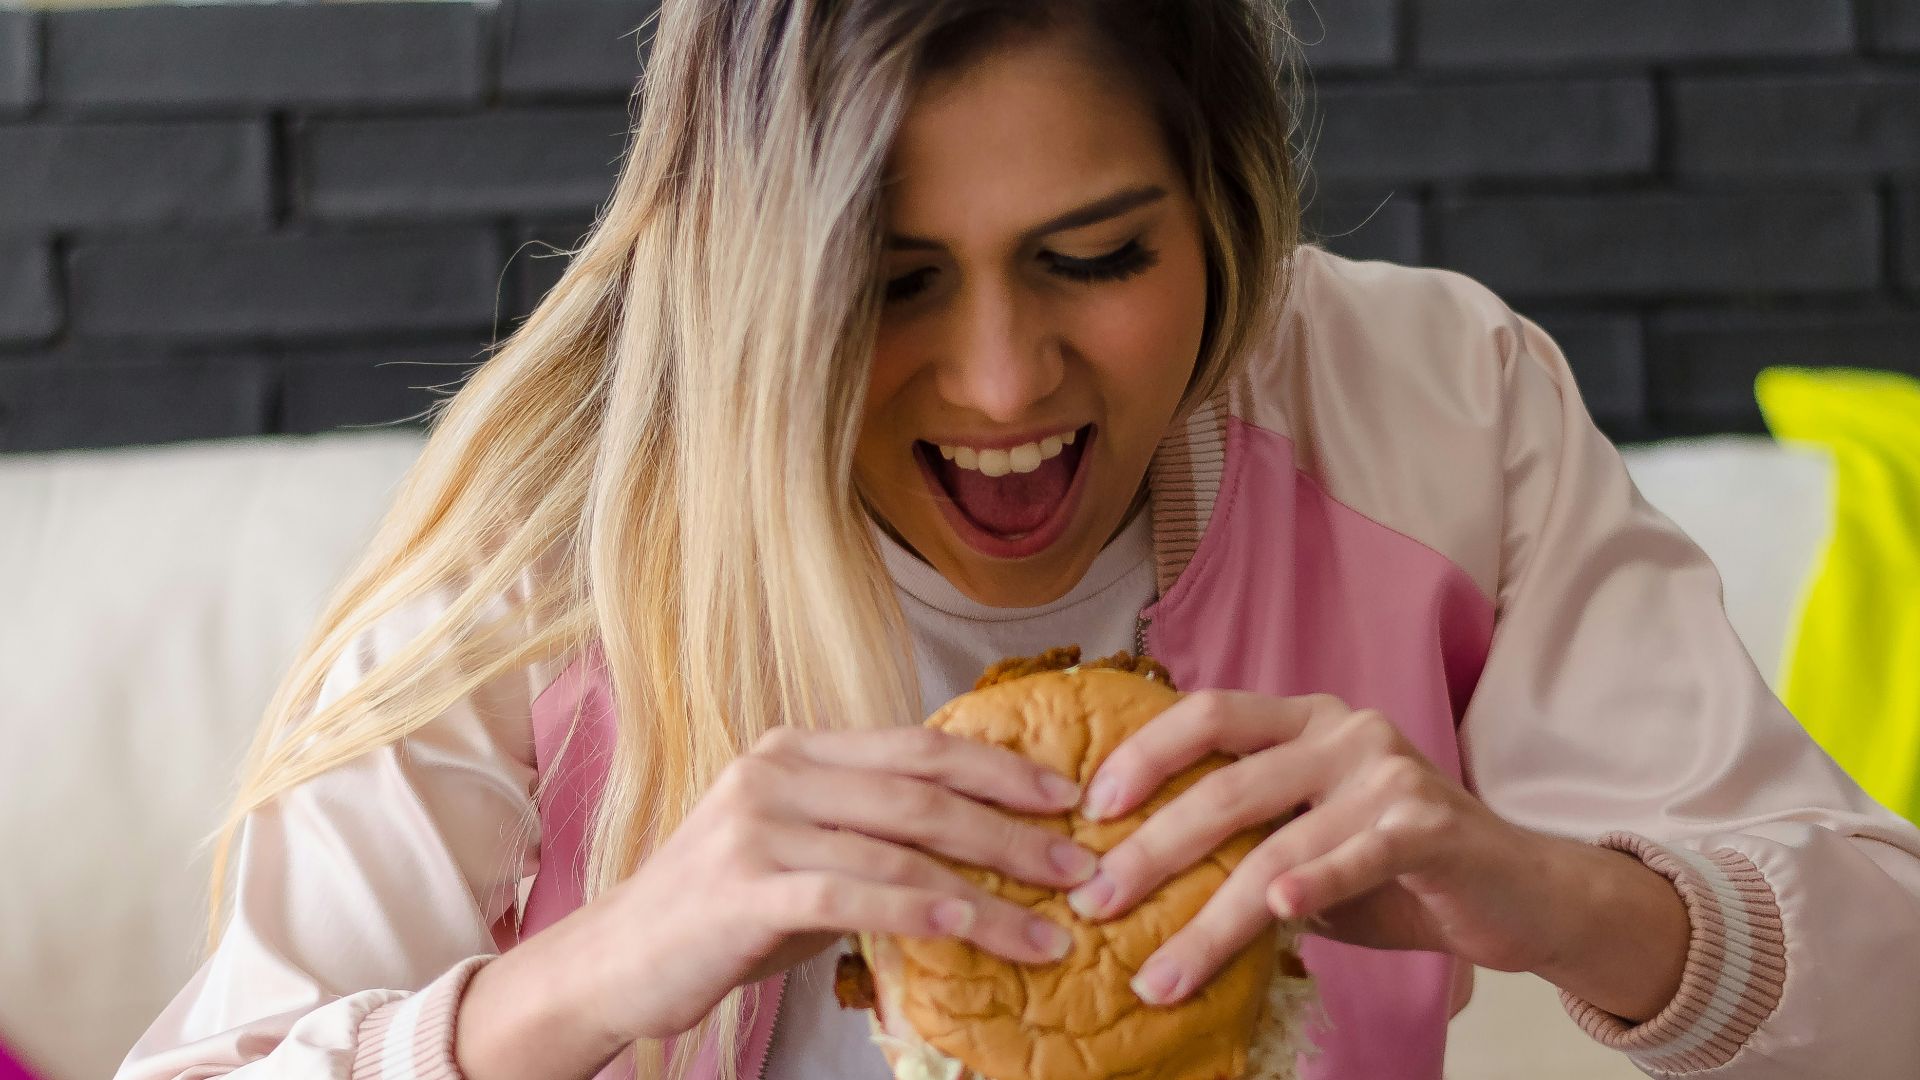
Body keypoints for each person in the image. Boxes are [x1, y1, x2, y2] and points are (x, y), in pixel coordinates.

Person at [116, 1, 1920, 1078]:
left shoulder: (1432, 407)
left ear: (1224, 211)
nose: (1001, 381)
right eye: (886, 286)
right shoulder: (556, 545)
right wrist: (596, 972)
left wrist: (1552, 894)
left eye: (1099, 257)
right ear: (750, 277)